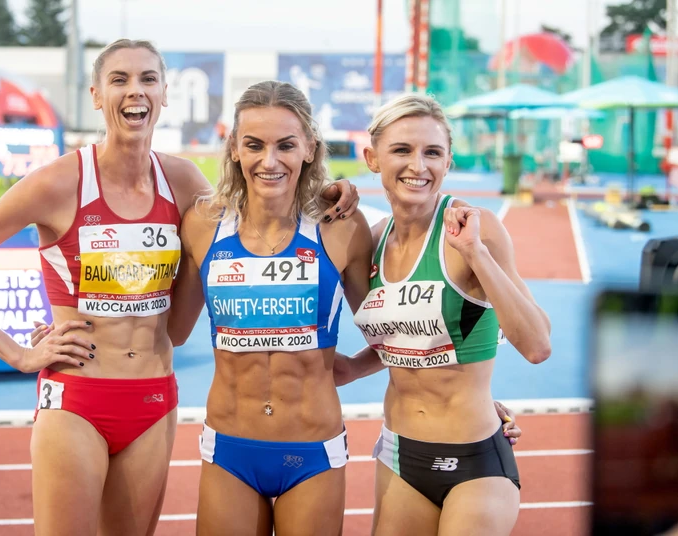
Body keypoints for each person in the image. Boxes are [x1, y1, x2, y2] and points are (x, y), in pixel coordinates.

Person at [0, 40, 358, 536]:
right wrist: (17, 354)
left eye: (148, 79)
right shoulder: (57, 183)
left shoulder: (182, 182)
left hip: (152, 401)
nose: (135, 91)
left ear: (164, 94)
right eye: (119, 79)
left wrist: (324, 191)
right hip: (78, 397)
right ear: (96, 95)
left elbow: (253, 211)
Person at [166, 81, 522, 536]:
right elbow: (172, 331)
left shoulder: (341, 228)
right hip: (229, 446)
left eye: (286, 145)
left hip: (313, 451)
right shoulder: (202, 225)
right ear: (233, 147)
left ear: (310, 149)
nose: (269, 161)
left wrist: (473, 400)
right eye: (254, 145)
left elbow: (399, 326)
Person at [335, 93, 552, 536]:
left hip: (475, 461)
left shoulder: (474, 227)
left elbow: (537, 345)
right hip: (400, 455)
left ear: (448, 161)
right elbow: (404, 336)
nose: (418, 166)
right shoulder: (371, 242)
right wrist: (353, 367)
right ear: (372, 159)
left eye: (432, 152)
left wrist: (475, 253)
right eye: (402, 150)